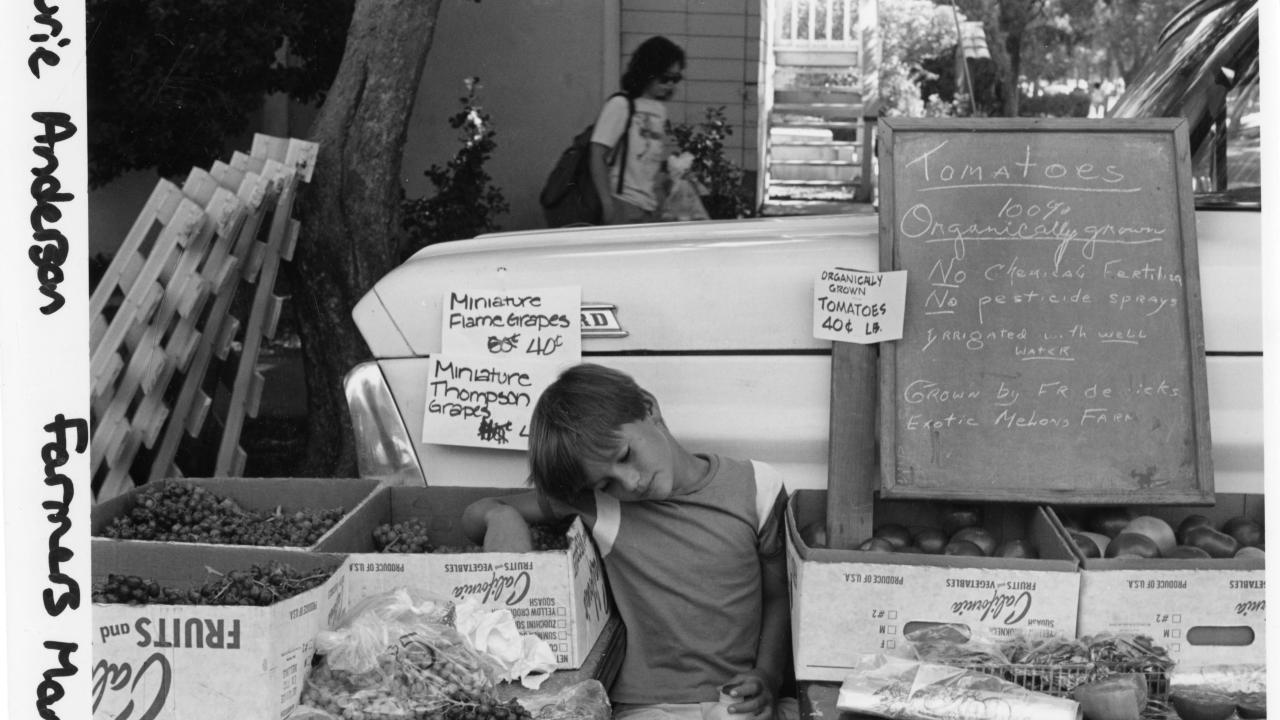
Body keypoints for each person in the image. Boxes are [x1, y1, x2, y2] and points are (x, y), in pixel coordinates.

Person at [462, 363, 796, 720]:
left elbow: (778, 596)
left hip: (742, 700)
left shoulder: (756, 486)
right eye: (606, 483)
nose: (630, 482)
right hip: (651, 707)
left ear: (649, 408)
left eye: (624, 455)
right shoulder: (601, 504)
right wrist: (502, 517)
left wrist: (768, 676)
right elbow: (476, 513)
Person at [591, 36, 685, 225]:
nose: (670, 85)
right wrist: (606, 203)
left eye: (675, 79)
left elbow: (649, 161)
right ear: (648, 72)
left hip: (650, 208)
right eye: (665, 78)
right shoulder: (621, 105)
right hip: (623, 202)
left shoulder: (660, 111)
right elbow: (597, 153)